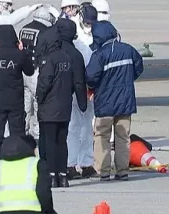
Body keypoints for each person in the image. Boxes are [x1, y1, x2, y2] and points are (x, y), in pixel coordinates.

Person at [86, 20, 144, 181]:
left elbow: (90, 78)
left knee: (102, 137)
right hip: (125, 102)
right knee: (123, 137)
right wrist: (126, 80)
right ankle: (122, 171)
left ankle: (103, 171)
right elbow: (139, 67)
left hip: (105, 104)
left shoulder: (99, 55)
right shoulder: (128, 50)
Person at [35, 27, 87, 187]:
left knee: (50, 142)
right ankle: (63, 175)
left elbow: (45, 82)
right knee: (61, 141)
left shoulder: (49, 59)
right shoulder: (67, 58)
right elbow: (75, 82)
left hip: (49, 107)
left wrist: (39, 97)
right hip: (64, 106)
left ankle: (52, 175)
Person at [0, 24, 34, 176]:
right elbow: (29, 71)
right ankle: (18, 170)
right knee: (17, 136)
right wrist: (22, 51)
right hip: (15, 103)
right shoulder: (19, 55)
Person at [54, 17, 94, 180]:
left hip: (62, 96)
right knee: (84, 128)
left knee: (70, 130)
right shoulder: (81, 50)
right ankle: (84, 164)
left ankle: (70, 164)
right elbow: (88, 75)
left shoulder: (55, 49)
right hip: (81, 94)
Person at [0, 134, 57, 214]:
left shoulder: (0, 166)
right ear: (33, 149)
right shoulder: (37, 164)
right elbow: (43, 193)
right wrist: (50, 211)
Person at [19, 5, 57, 139]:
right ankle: (36, 134)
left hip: (23, 71)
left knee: (24, 104)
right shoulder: (45, 30)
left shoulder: (24, 28)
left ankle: (21, 132)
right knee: (38, 104)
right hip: (36, 71)